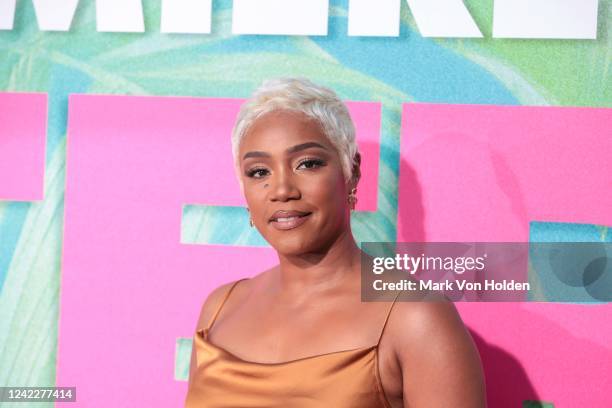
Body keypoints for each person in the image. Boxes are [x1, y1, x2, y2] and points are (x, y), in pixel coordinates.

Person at [184, 78, 486, 407]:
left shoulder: (416, 317)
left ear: (351, 171)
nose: (282, 189)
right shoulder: (220, 308)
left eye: (308, 164)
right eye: (259, 172)